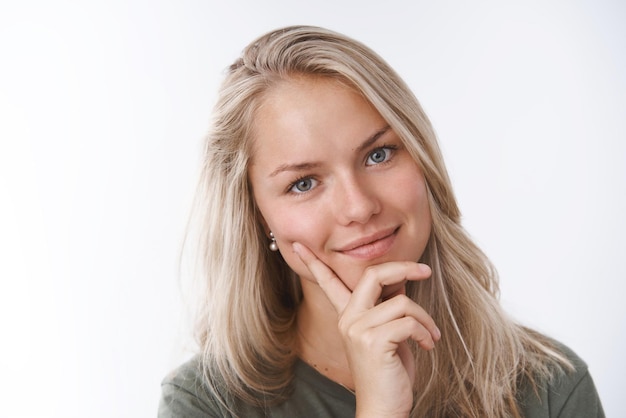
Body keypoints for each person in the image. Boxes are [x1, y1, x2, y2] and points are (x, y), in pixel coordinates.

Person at [158, 25, 604, 417]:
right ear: (256, 217)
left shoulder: (547, 387)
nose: (359, 208)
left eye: (379, 154)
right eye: (304, 183)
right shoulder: (204, 403)